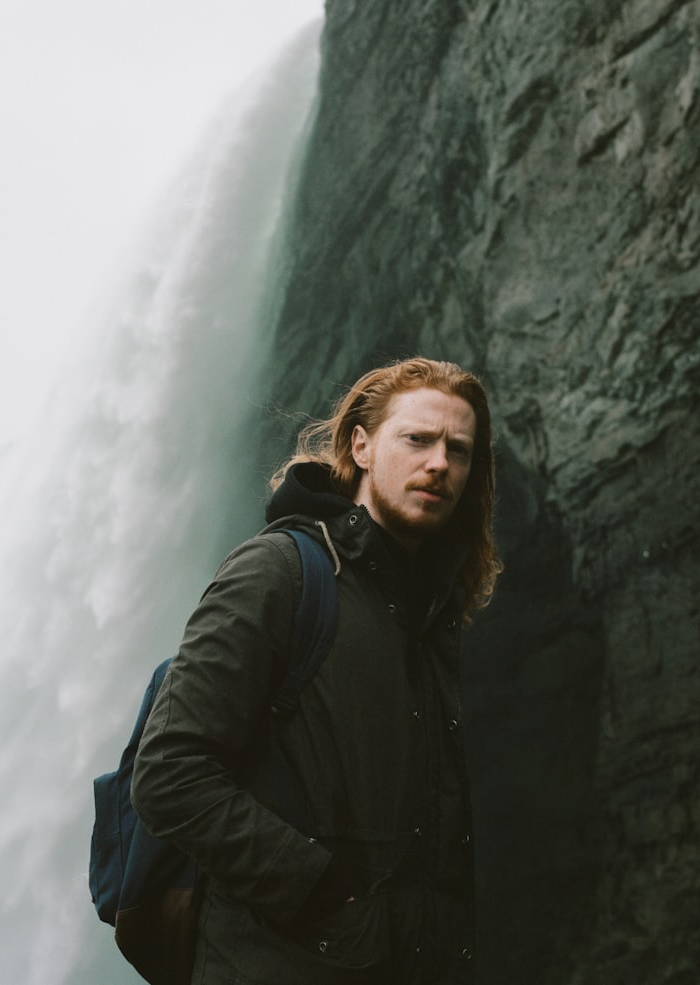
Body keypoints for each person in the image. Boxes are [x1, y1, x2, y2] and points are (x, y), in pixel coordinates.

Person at [131, 356, 502, 984]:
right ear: (360, 445)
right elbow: (169, 772)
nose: (439, 463)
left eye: (459, 450)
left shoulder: (428, 612)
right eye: (417, 439)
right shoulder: (280, 571)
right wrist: (325, 890)